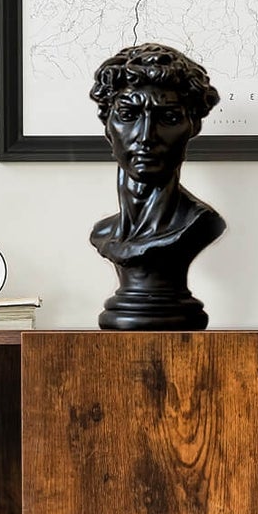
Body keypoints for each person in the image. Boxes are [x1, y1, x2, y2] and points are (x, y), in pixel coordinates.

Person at [88, 43, 226, 330]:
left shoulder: (200, 225)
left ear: (193, 126)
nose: (146, 136)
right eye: (128, 115)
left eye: (169, 118)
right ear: (107, 125)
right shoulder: (104, 233)